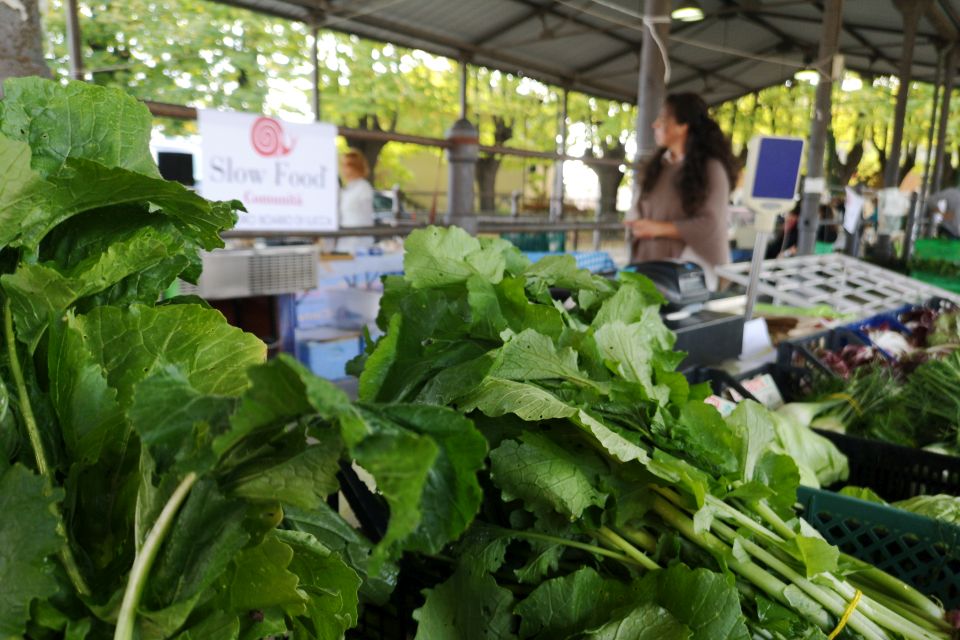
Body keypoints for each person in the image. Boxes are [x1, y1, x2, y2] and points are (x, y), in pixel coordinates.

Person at [625, 93, 739, 289]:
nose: (655, 125)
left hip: (690, 274)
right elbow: (638, 208)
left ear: (682, 125)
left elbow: (710, 224)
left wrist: (657, 228)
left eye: (663, 118)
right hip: (649, 267)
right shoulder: (656, 167)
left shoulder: (712, 169)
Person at [336, 148, 376, 253]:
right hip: (345, 240)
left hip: (359, 243)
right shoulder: (347, 189)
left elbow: (364, 217)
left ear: (355, 167)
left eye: (346, 165)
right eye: (342, 165)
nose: (343, 169)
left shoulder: (364, 187)